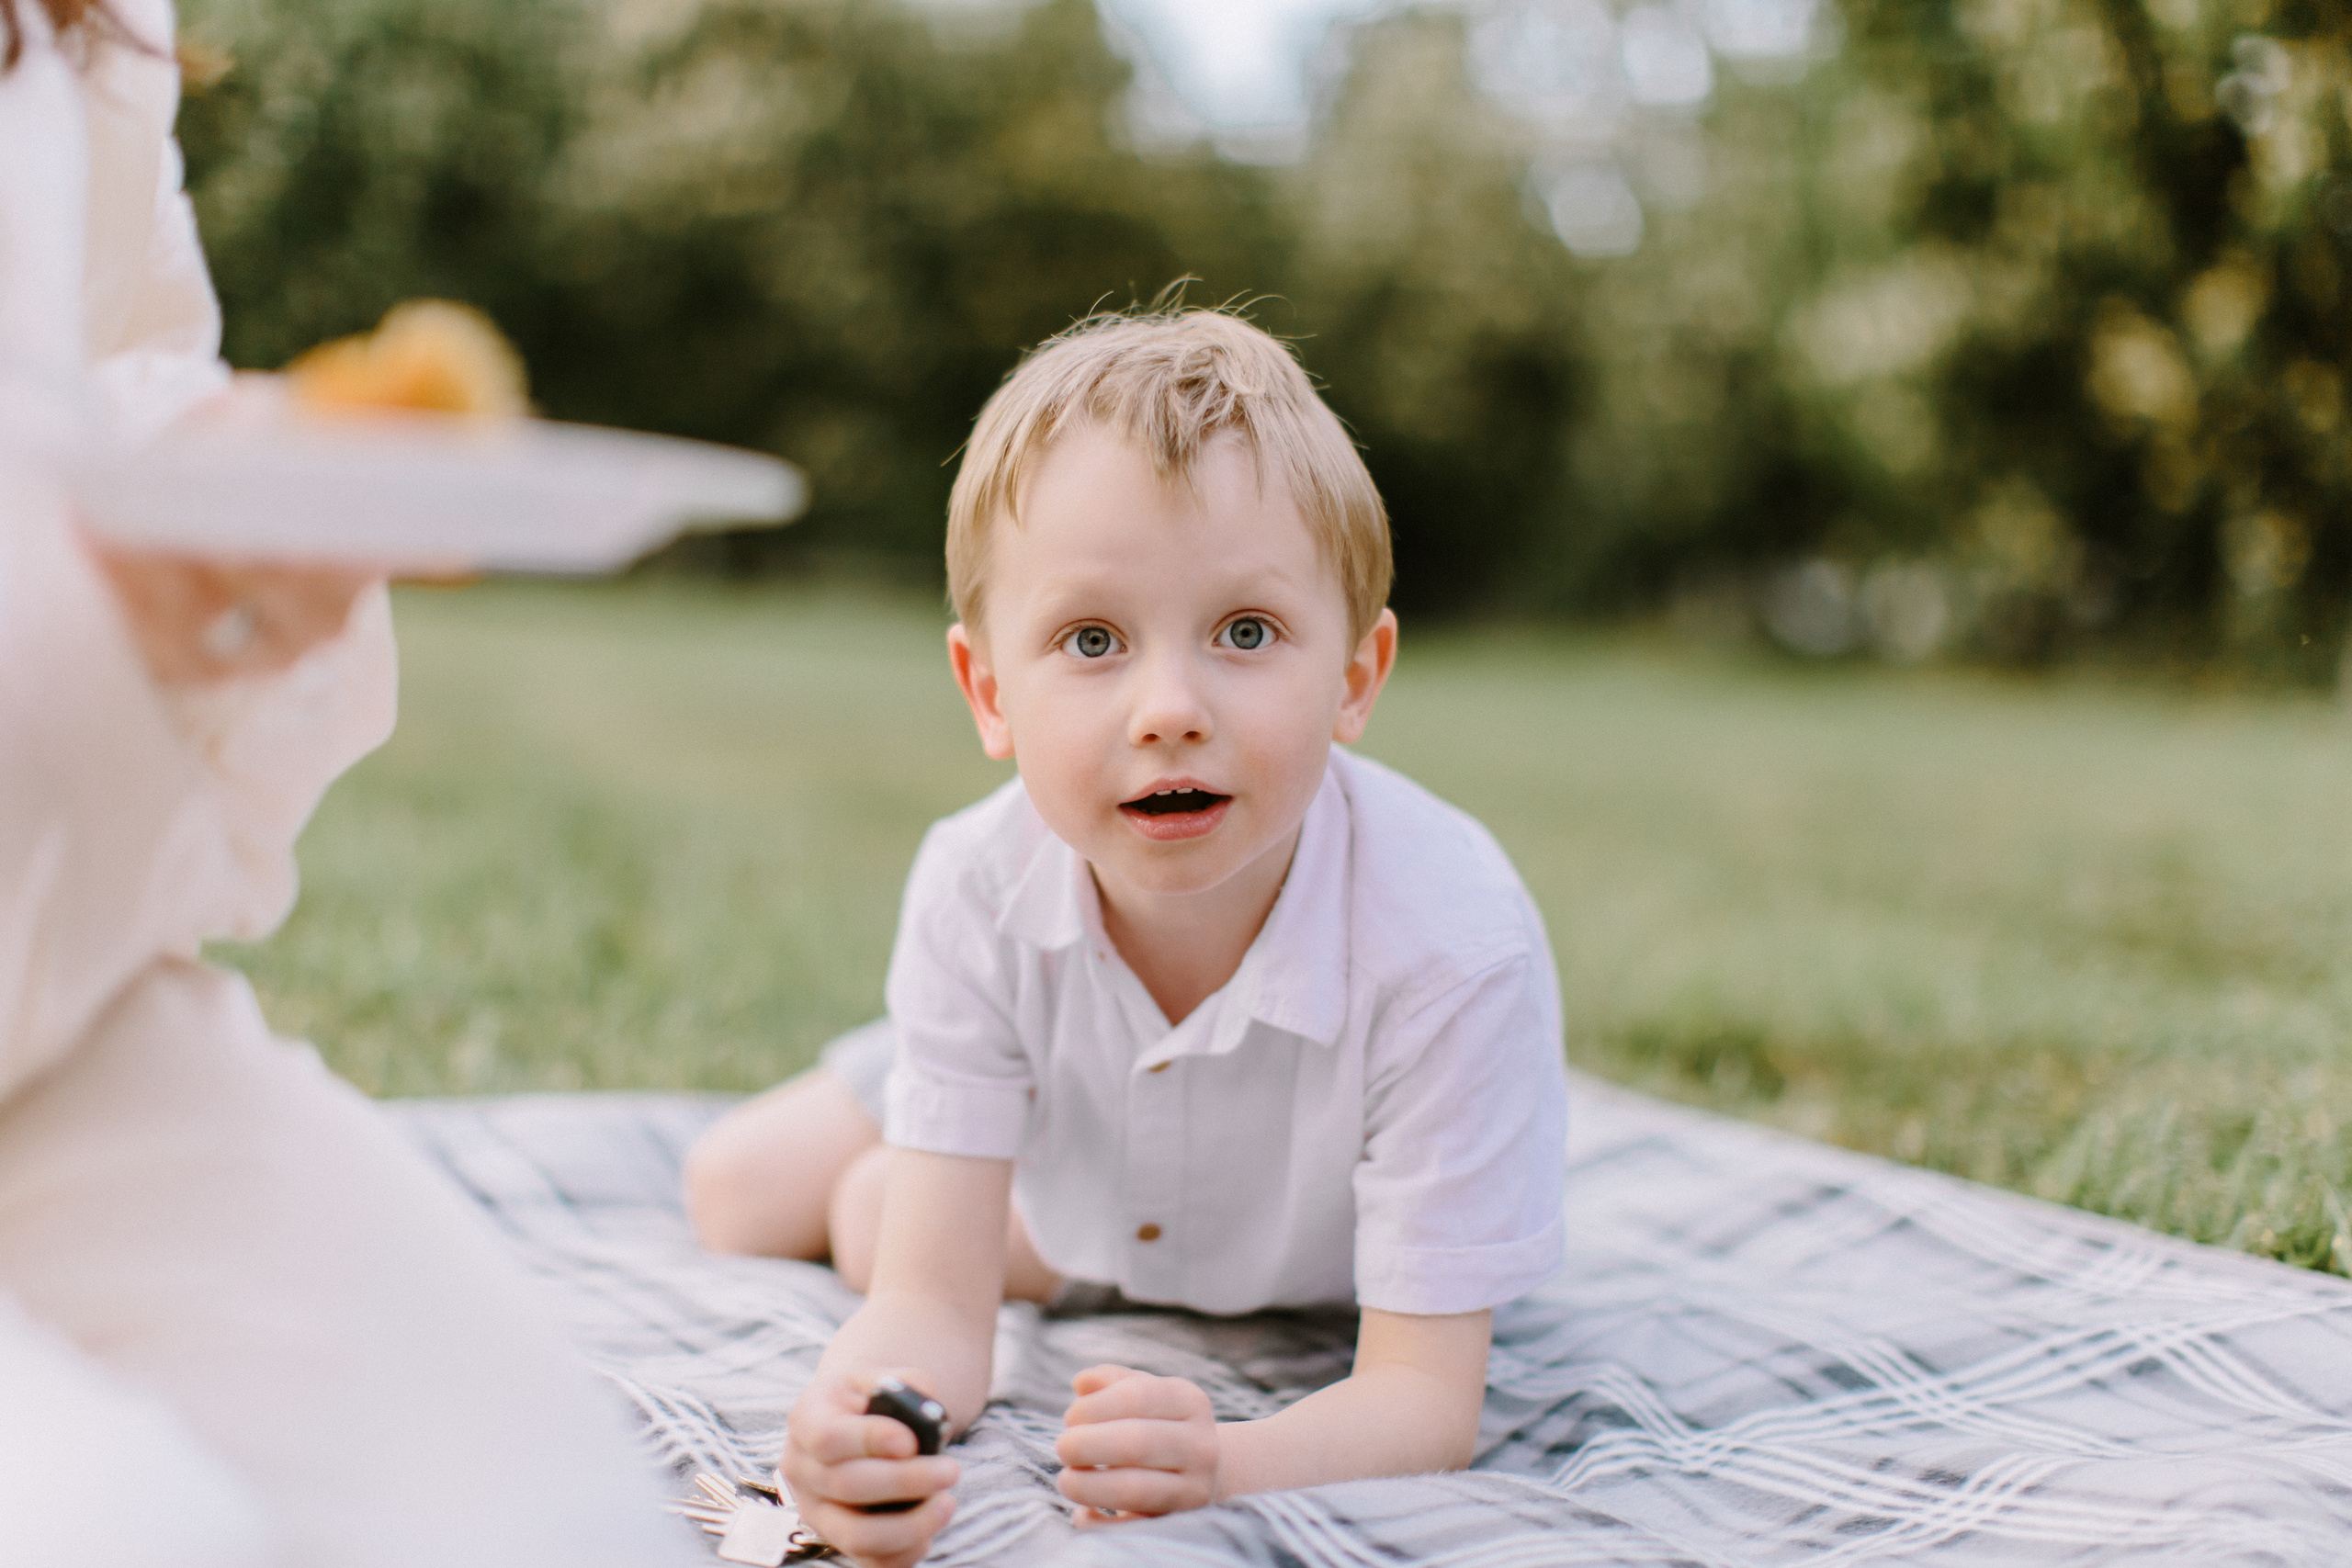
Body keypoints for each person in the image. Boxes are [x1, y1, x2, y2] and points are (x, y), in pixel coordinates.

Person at [686, 307, 1569, 1566]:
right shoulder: (975, 885)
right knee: (741, 1193)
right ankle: (942, 1093)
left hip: (1281, 1232)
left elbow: (1427, 1401)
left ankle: (976, 1142)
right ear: (989, 693)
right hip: (1081, 1101)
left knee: (884, 1211)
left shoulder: (1452, 946)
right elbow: (928, 1317)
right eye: (1092, 641)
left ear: (1357, 678)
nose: (1170, 710)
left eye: (1247, 633)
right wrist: (872, 1425)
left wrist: (1229, 1464)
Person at [0, 3, 692, 1563]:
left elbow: (112, 378)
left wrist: (234, 507)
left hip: (44, 1023)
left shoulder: (78, 28)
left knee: (551, 1523)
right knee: (130, 1533)